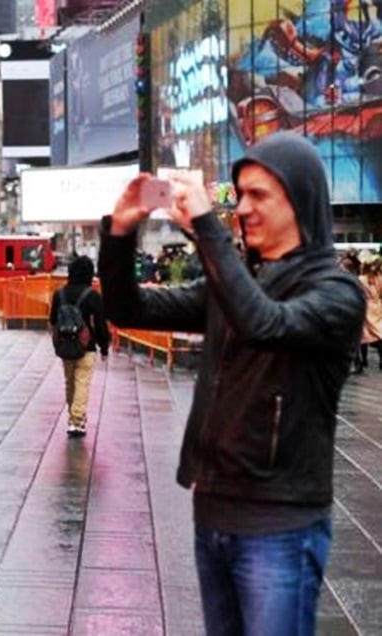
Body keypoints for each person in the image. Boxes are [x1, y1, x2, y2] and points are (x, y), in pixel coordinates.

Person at [98, 132, 365, 635]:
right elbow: (127, 308)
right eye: (239, 195)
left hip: (281, 522)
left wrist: (205, 228)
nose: (243, 208)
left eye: (260, 195)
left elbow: (264, 323)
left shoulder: (336, 291)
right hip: (213, 508)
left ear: (301, 201)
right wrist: (119, 233)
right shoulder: (237, 279)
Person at [48, 255, 111, 437]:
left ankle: (73, 417)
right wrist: (104, 347)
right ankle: (76, 421)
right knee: (82, 382)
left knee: (70, 383)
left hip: (65, 346)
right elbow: (100, 324)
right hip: (87, 346)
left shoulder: (59, 294)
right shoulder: (92, 295)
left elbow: (53, 320)